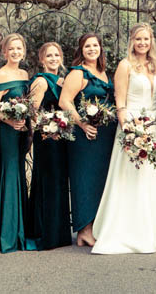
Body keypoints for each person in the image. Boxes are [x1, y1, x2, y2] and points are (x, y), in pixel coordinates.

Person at [92, 23, 156, 253]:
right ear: (132, 41)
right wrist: (129, 130)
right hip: (133, 124)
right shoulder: (125, 65)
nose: (142, 43)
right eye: (138, 39)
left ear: (151, 41)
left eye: (146, 39)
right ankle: (132, 229)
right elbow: (120, 102)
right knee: (134, 175)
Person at [59, 32, 116, 247]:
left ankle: (95, 226)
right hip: (86, 136)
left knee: (99, 180)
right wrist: (82, 124)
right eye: (87, 46)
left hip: (104, 136)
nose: (92, 49)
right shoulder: (78, 73)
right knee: (84, 179)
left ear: (100, 48)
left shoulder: (102, 72)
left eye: (95, 45)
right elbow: (65, 101)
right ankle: (84, 230)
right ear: (81, 50)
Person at [27, 42, 72, 250]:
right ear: (42, 60)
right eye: (49, 56)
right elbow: (32, 112)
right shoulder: (41, 81)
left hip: (60, 137)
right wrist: (48, 128)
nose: (53, 59)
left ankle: (60, 233)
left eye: (56, 55)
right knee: (49, 181)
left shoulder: (62, 81)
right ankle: (46, 233)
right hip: (47, 138)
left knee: (59, 181)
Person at [0, 33, 31, 253]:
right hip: (8, 132)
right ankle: (8, 235)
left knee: (19, 175)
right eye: (11, 49)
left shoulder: (24, 74)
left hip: (22, 131)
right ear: (5, 52)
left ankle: (20, 229)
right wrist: (10, 120)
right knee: (10, 175)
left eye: (19, 48)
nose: (15, 52)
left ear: (23, 51)